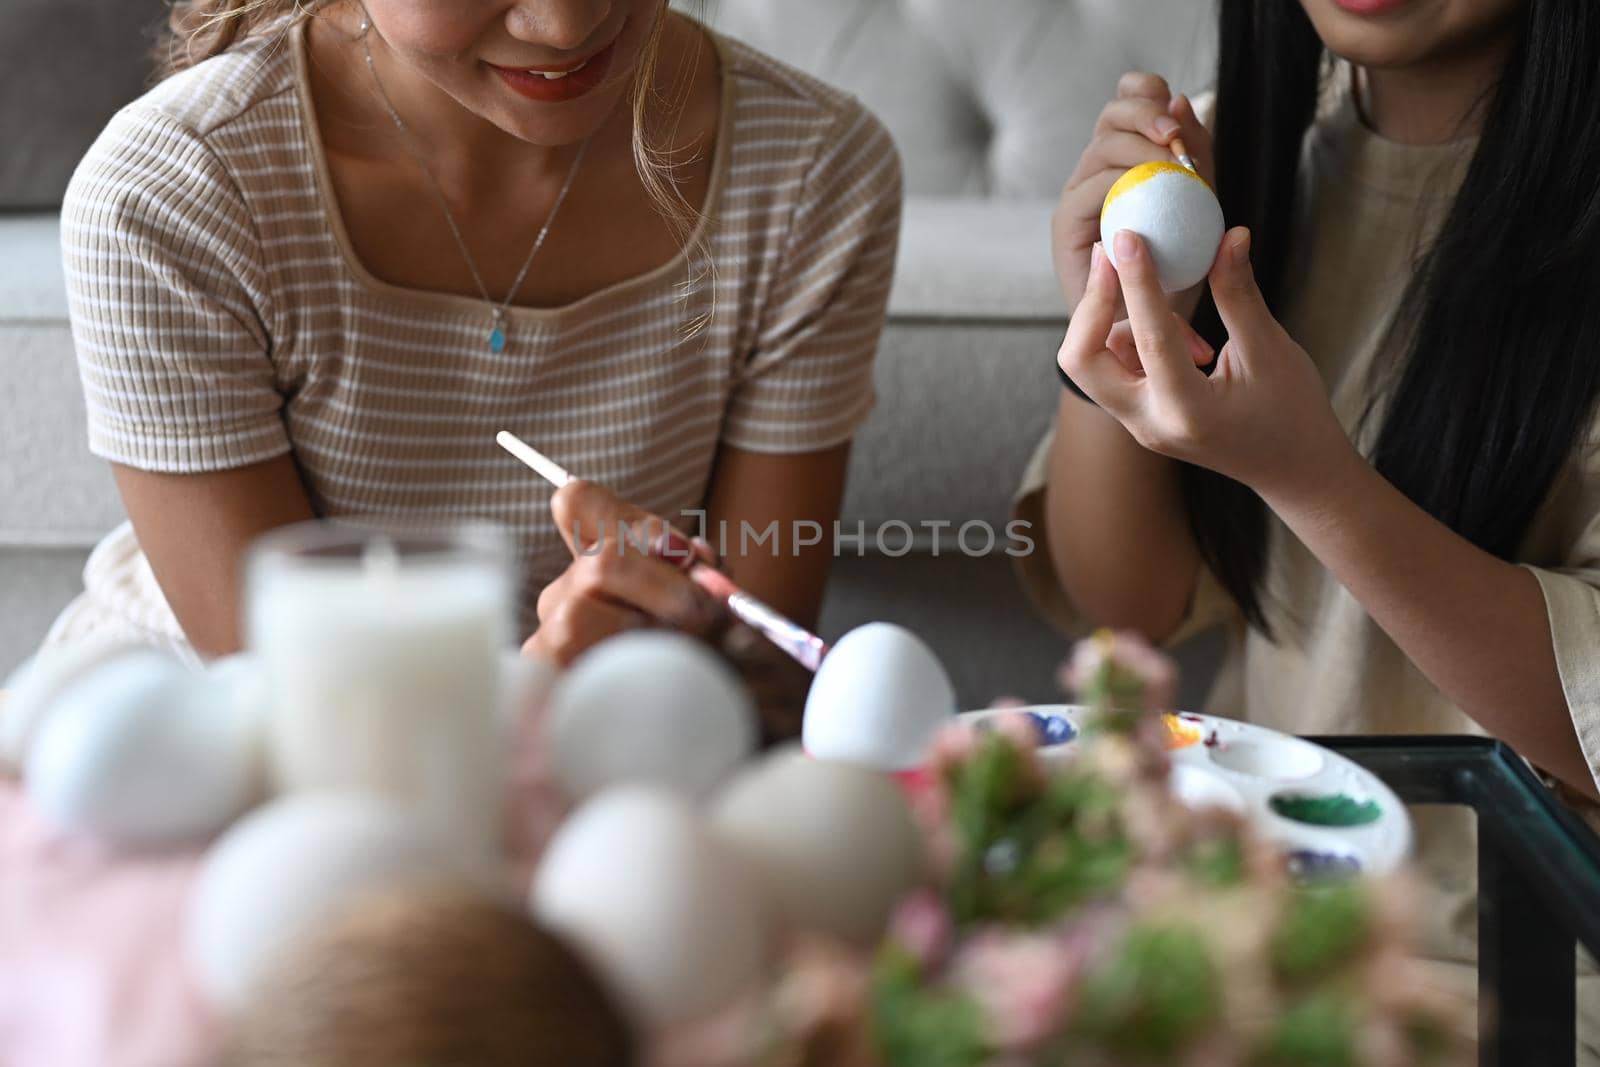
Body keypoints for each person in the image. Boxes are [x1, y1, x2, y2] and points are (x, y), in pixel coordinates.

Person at [1017, 0, 1600, 1051]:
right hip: (1246, 914)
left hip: (1526, 954)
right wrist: (1116, 329)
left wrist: (1315, 480)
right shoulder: (1228, 153)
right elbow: (1127, 603)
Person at [47, 0, 901, 699]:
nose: (565, 26)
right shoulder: (173, 193)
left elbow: (770, 674)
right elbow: (294, 717)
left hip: (609, 767)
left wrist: (693, 649)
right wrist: (532, 701)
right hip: (198, 755)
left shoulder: (811, 170)